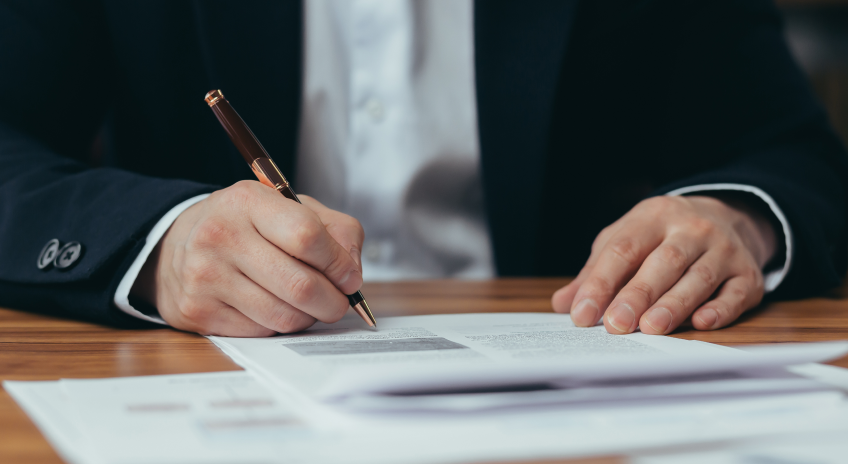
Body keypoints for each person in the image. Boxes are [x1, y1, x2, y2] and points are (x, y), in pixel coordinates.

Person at [0, 0, 845, 338]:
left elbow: (796, 153)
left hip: (576, 384)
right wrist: (161, 244)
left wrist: (737, 217)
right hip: (202, 386)